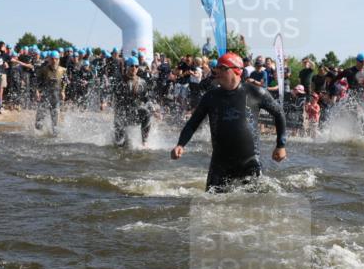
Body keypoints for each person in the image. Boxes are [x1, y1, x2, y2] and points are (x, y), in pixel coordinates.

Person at [171, 52, 287, 192]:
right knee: (210, 202)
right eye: (217, 68)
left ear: (237, 70)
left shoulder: (255, 92)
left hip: (250, 161)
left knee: (256, 202)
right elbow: (193, 123)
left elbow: (279, 113)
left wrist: (281, 145)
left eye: (223, 68)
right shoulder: (211, 97)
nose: (217, 71)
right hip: (220, 164)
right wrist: (181, 144)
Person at [113, 57, 152, 147]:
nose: (134, 68)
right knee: (119, 144)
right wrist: (104, 101)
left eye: (136, 66)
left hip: (134, 114)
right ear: (127, 67)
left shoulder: (142, 82)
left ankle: (144, 142)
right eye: (132, 66)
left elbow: (146, 99)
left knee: (147, 113)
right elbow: (111, 94)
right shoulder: (120, 81)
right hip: (121, 115)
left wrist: (154, 109)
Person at [34, 50, 67, 133]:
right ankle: (38, 134)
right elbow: (37, 81)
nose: (54, 61)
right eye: (52, 59)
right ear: (49, 59)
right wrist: (37, 91)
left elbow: (65, 82)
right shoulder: (43, 70)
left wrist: (63, 91)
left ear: (59, 60)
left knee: (55, 119)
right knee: (39, 120)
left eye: (56, 59)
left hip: (56, 96)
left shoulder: (62, 70)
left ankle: (54, 134)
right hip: (45, 95)